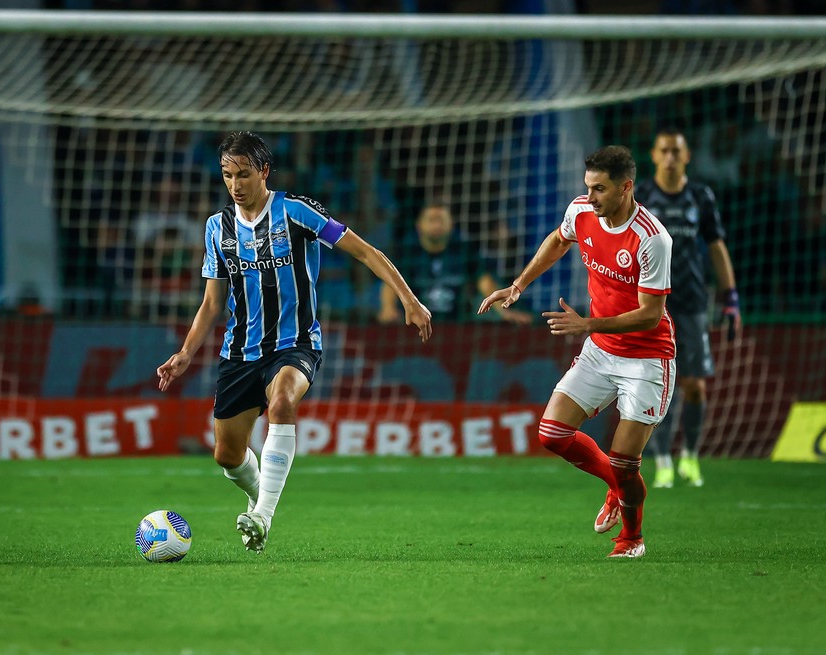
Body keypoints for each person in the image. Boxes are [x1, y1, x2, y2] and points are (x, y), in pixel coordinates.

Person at [156, 131, 433, 553]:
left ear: (264, 172)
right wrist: (185, 353)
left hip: (296, 343)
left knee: (283, 401)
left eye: (243, 174)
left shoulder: (297, 212)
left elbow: (365, 252)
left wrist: (408, 300)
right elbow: (212, 303)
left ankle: (262, 516)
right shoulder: (217, 228)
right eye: (227, 175)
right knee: (227, 455)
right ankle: (258, 496)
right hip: (239, 351)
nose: (235, 184)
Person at [479, 145, 675, 559]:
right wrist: (519, 284)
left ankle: (632, 539)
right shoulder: (582, 210)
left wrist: (588, 324)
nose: (592, 197)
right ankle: (616, 488)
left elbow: (650, 315)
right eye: (588, 187)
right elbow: (557, 239)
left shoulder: (653, 239)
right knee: (552, 434)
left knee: (626, 461)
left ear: (626, 188)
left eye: (601, 189)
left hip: (646, 357)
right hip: (600, 351)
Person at [636, 128, 741, 489]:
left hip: (694, 300)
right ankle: (663, 461)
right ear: (653, 155)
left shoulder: (700, 196)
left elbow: (716, 246)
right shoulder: (641, 196)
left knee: (694, 385)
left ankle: (691, 457)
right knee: (656, 384)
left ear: (687, 156)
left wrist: (731, 299)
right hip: (651, 303)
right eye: (664, 150)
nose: (670, 157)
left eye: (676, 151)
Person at [378, 203, 532, 325]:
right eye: (431, 220)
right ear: (419, 225)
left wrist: (503, 311)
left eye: (441, 220)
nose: (436, 225)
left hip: (455, 325)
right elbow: (391, 282)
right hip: (415, 324)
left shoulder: (464, 250)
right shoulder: (407, 251)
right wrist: (388, 309)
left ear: (451, 225)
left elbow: (484, 282)